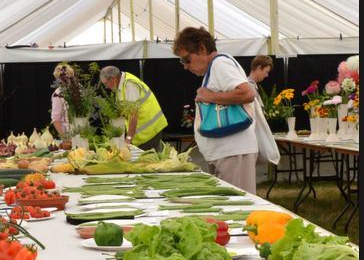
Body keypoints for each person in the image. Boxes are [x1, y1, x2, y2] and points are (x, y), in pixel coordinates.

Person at [173, 26, 258, 194]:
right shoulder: (215, 68)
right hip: (227, 153)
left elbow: (248, 93)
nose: (185, 66)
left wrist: (209, 97)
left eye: (186, 59)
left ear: (202, 49)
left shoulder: (220, 64)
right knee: (229, 207)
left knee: (237, 208)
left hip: (233, 152)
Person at [99, 66, 168, 150]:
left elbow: (133, 115)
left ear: (113, 78)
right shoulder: (121, 85)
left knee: (149, 161)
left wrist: (128, 139)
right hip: (143, 134)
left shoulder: (130, 85)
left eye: (106, 83)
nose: (106, 87)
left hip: (150, 132)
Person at [51, 63, 73, 139]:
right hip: (68, 133)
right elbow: (56, 119)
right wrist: (65, 138)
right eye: (60, 78)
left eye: (69, 76)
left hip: (83, 130)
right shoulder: (57, 94)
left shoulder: (79, 88)